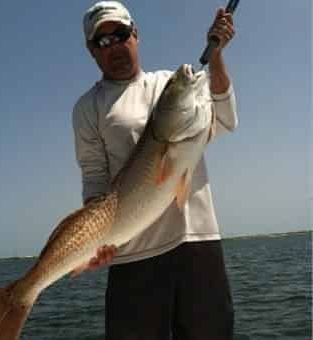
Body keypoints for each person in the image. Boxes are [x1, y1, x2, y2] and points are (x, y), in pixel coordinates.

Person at [72, 1, 238, 339]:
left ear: (135, 34)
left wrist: (217, 54)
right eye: (102, 41)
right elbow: (94, 178)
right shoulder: (87, 107)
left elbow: (224, 118)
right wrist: (94, 240)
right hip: (131, 256)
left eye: (120, 34)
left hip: (197, 241)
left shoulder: (171, 85)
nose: (114, 45)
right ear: (91, 51)